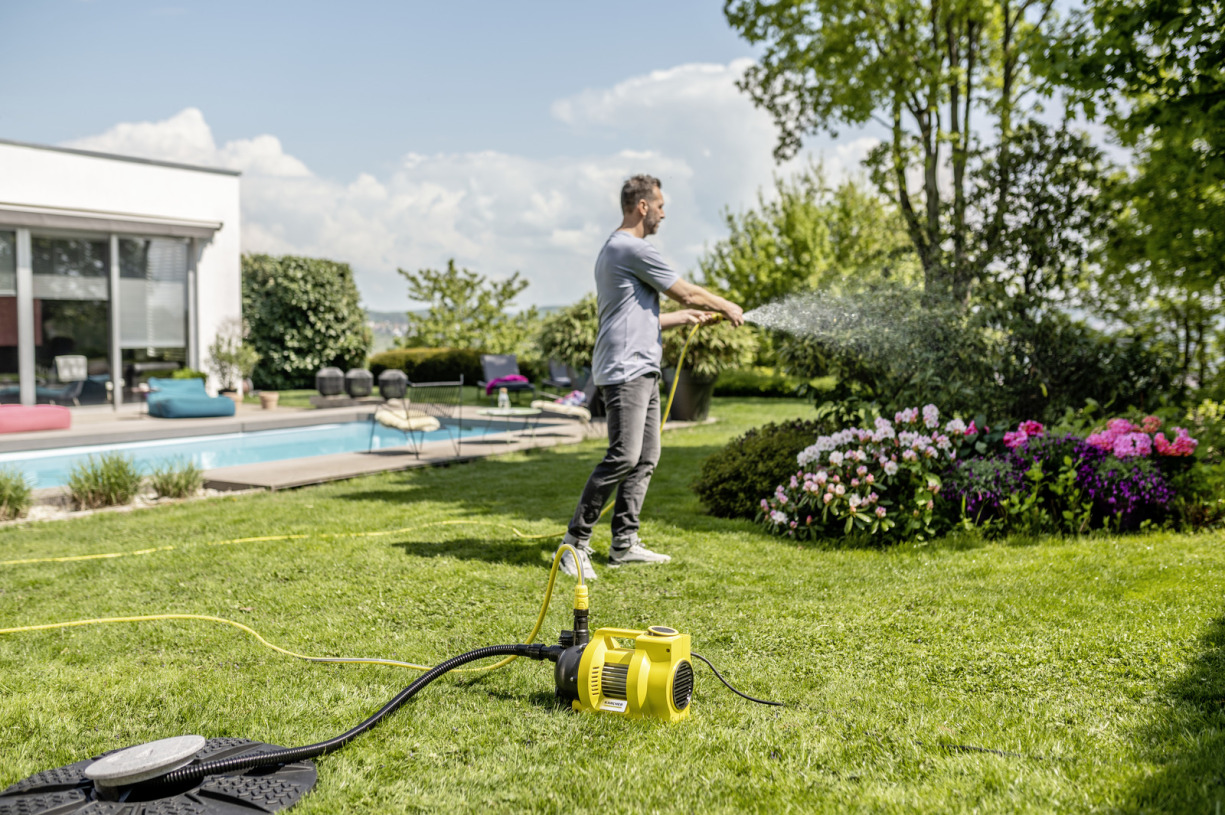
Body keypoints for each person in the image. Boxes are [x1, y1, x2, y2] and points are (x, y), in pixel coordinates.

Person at [561, 174, 744, 579]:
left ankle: (624, 543)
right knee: (624, 455)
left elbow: (638, 317)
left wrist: (684, 317)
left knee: (646, 457)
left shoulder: (614, 248)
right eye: (660, 205)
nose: (663, 213)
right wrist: (726, 304)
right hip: (626, 369)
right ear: (642, 206)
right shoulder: (632, 247)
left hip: (640, 367)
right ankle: (574, 544)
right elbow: (686, 291)